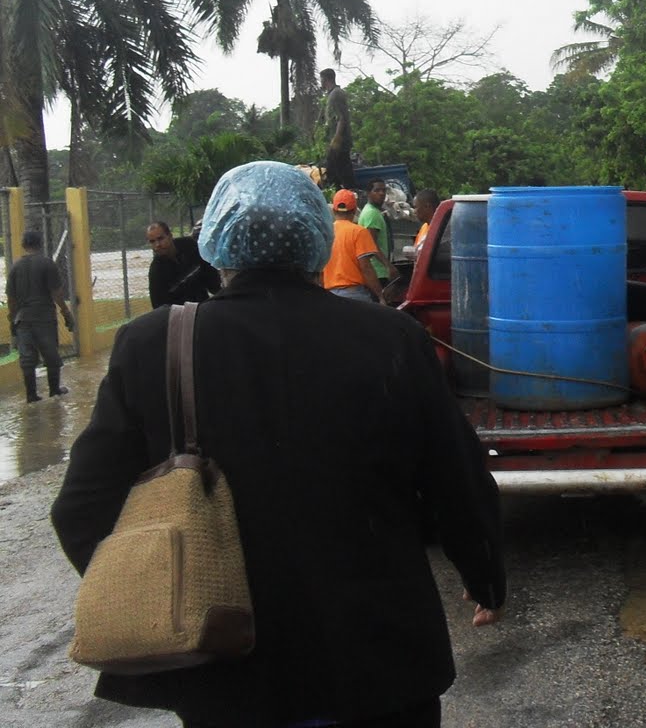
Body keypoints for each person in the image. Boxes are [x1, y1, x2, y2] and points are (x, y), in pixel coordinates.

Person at [52, 160, 504, 728]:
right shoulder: (390, 337)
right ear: (316, 239)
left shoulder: (154, 344)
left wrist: (146, 589)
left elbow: (81, 507)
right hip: (381, 664)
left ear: (217, 242)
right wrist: (484, 575)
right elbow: (456, 480)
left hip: (228, 672)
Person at [5, 228, 74, 402]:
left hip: (23, 319)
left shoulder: (15, 267)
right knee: (51, 354)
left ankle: (31, 395)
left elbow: (11, 299)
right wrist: (66, 313)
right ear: (40, 243)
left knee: (27, 358)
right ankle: (54, 391)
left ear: (23, 245)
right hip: (44, 318)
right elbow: (57, 293)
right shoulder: (47, 264)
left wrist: (12, 319)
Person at [322, 189, 385, 301]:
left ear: (334, 209)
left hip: (329, 296)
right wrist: (380, 295)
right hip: (354, 295)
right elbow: (366, 268)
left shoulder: (325, 233)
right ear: (355, 210)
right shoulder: (359, 232)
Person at [146, 220, 222, 308]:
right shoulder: (156, 271)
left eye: (160, 238)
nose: (157, 245)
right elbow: (158, 306)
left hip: (204, 306)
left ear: (170, 236)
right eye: (152, 241)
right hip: (181, 315)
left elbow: (212, 279)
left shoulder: (190, 246)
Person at [319, 67, 355, 191]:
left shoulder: (336, 94)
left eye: (321, 80)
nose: (321, 83)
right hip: (334, 140)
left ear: (326, 79)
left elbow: (341, 118)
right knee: (337, 171)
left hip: (340, 141)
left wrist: (337, 138)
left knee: (338, 171)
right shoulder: (329, 95)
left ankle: (349, 195)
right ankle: (342, 194)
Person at [357, 178, 393, 284]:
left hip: (377, 271)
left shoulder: (372, 211)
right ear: (368, 193)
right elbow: (372, 245)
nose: (381, 193)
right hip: (377, 272)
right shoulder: (371, 214)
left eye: (383, 190)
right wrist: (388, 265)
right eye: (377, 190)